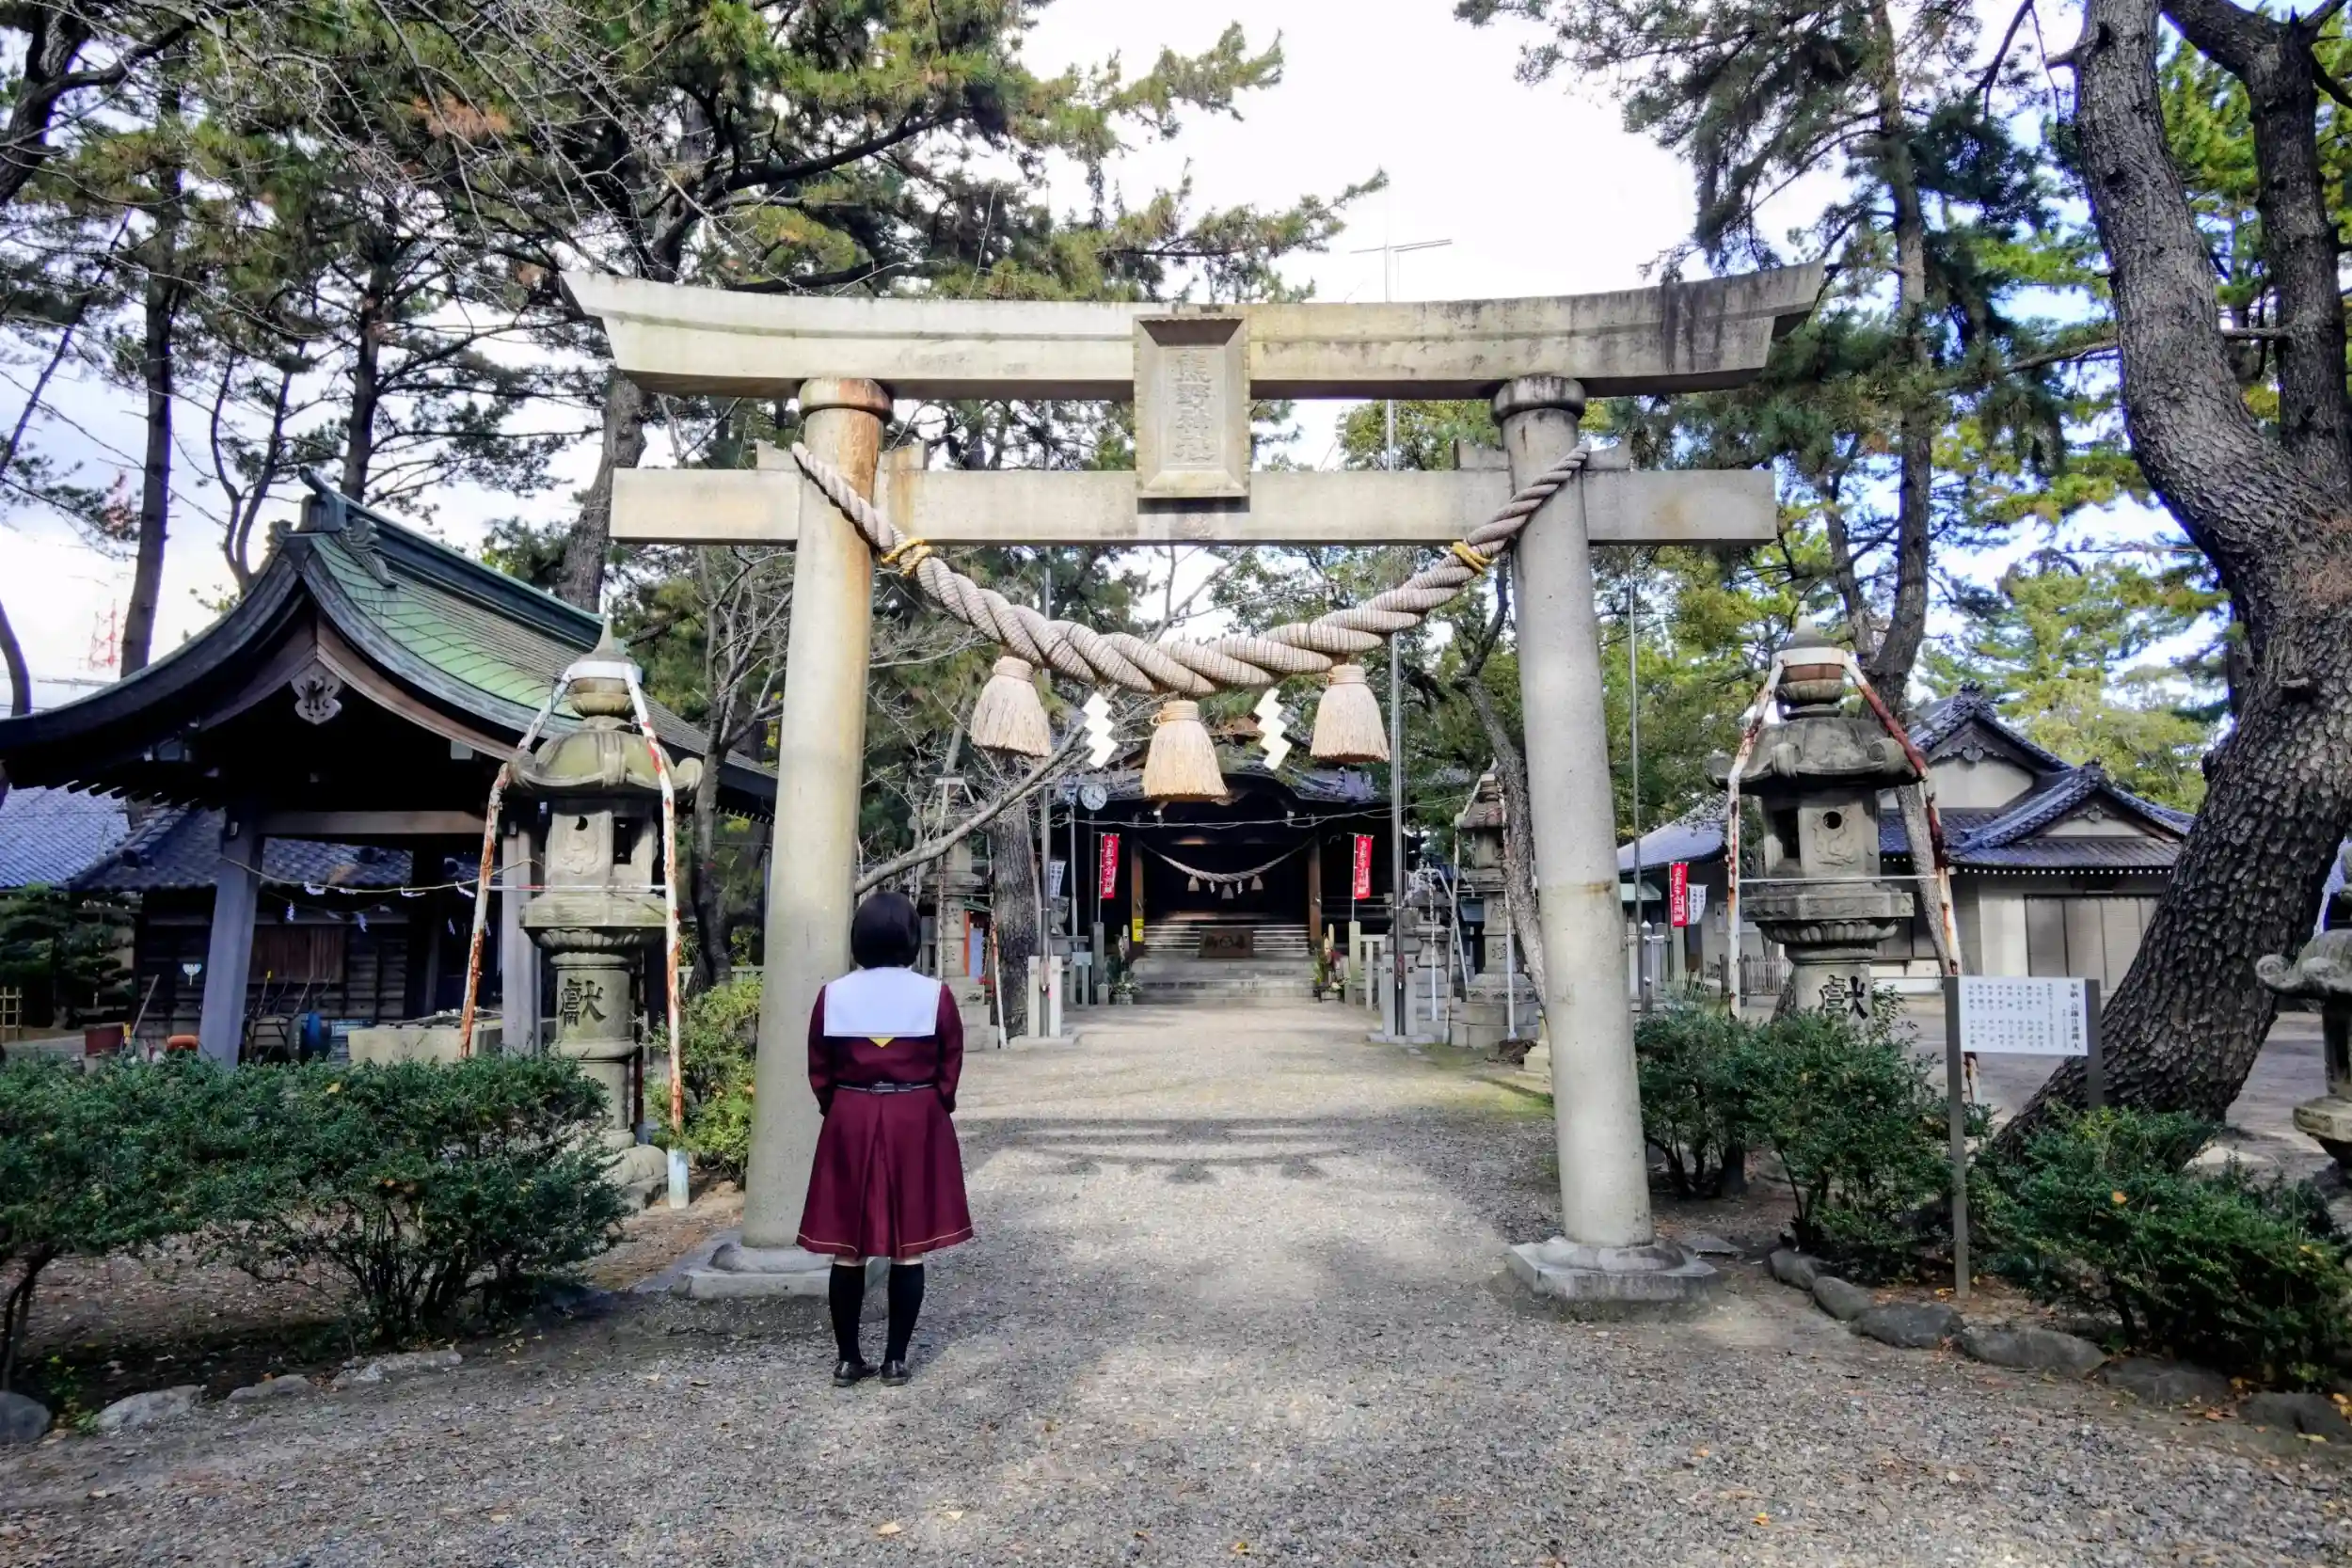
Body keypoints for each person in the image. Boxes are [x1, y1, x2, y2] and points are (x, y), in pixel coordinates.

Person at [796, 891, 973, 1386]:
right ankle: (895, 1359)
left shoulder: (833, 995)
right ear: (912, 938)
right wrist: (934, 1103)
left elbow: (819, 1066)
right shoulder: (934, 995)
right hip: (915, 1113)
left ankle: (847, 1358)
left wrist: (840, 1106)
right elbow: (950, 1061)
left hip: (851, 1113)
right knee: (907, 1245)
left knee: (848, 1245)